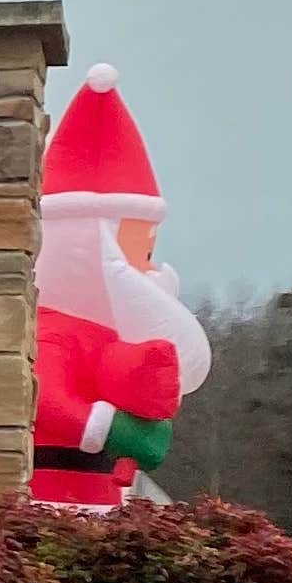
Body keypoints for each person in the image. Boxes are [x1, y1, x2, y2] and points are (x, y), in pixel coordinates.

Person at [30, 64, 211, 510]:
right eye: (136, 253)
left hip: (101, 498)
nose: (146, 272)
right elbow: (41, 396)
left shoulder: (112, 336)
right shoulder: (50, 332)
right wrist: (114, 429)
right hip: (47, 498)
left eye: (147, 254)